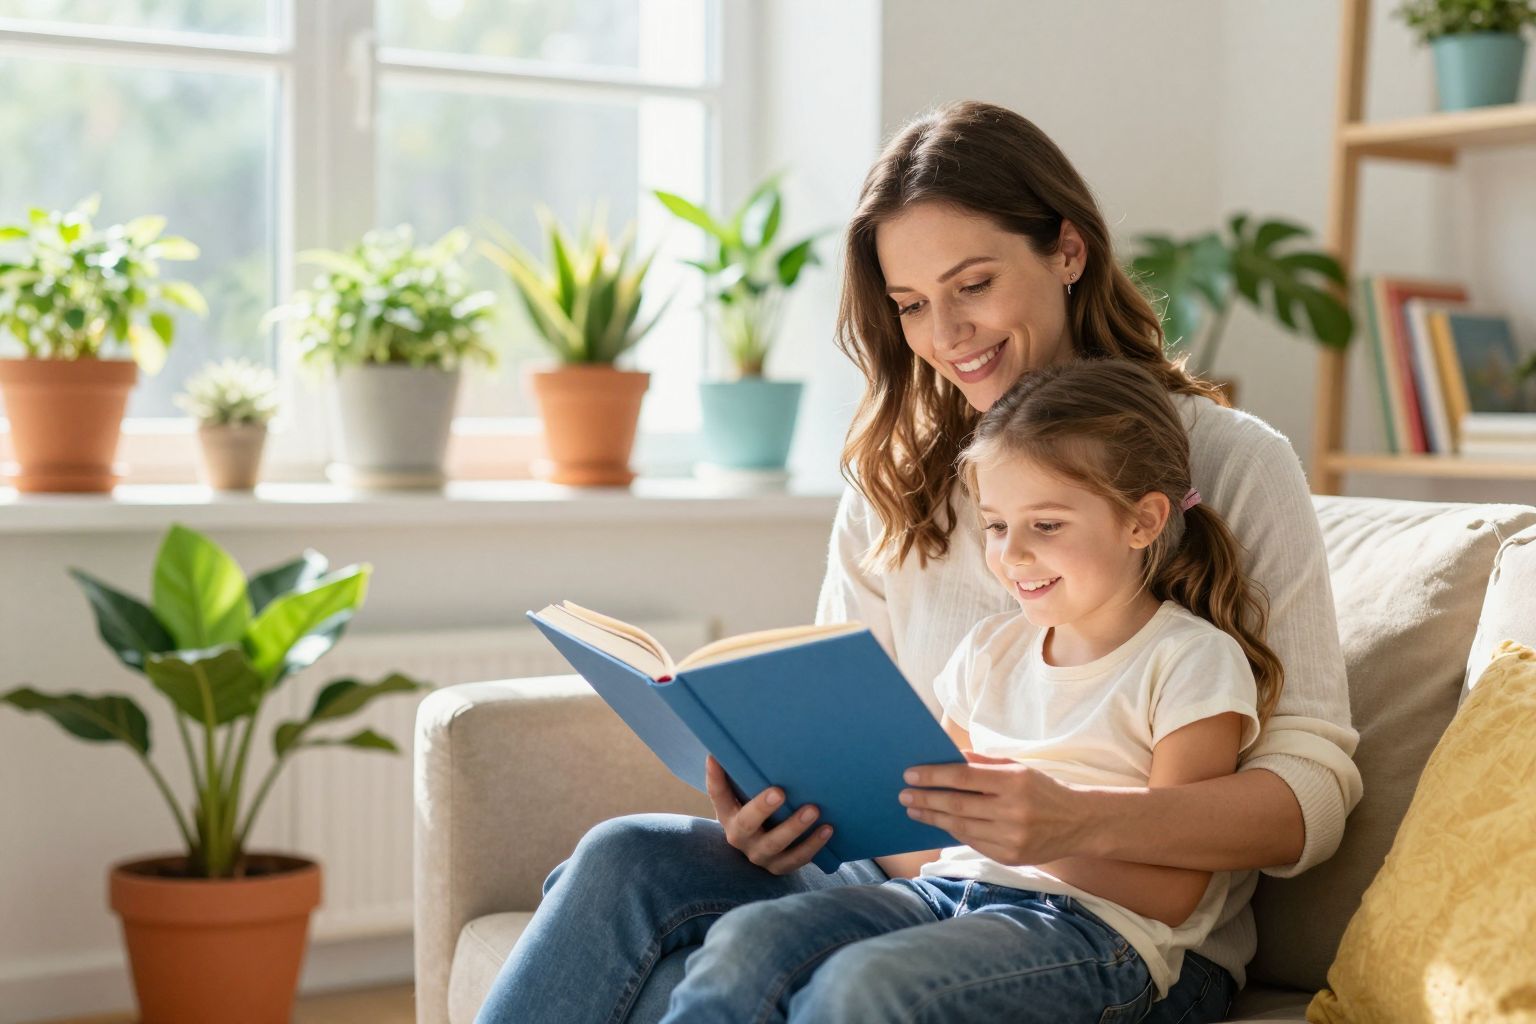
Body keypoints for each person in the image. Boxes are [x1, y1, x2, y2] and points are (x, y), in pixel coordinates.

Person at [474, 100, 1361, 1024]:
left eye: (973, 284)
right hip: (920, 882)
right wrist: (783, 804)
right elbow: (845, 725)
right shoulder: (892, 479)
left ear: (1067, 251)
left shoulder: (1227, 461)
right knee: (623, 859)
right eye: (910, 306)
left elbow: (1312, 793)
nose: (947, 334)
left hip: (1108, 928)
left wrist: (1071, 822)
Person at [643, 357, 1283, 1021]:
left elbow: (1173, 893)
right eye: (998, 526)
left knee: (866, 983)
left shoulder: (1191, 660)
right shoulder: (989, 651)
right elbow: (930, 836)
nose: (1012, 554)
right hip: (946, 898)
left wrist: (1041, 842)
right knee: (747, 941)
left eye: (1047, 525)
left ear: (1142, 521)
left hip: (1098, 933)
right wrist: (808, 805)